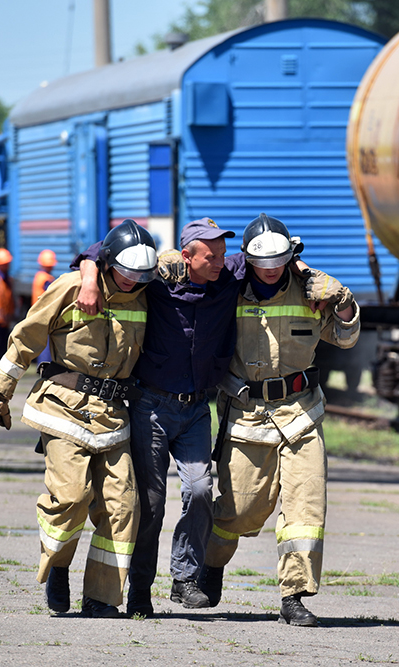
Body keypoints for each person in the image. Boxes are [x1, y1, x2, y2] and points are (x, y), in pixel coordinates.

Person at [0, 220, 158, 618]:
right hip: (63, 407)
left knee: (123, 507)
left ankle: (101, 596)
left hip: (113, 417)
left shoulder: (145, 296)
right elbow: (27, 336)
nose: (132, 282)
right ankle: (58, 566)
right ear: (108, 262)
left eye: (139, 276)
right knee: (72, 496)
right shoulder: (71, 286)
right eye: (125, 273)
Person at [192, 213, 360, 627]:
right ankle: (211, 565)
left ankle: (294, 595)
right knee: (241, 511)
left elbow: (345, 337)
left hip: (302, 413)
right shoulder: (228, 289)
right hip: (246, 415)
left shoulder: (312, 290)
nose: (270, 270)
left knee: (306, 507)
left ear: (290, 256)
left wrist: (344, 302)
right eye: (261, 263)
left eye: (278, 262)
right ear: (248, 260)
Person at [72, 218, 241, 617]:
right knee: (150, 502)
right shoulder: (157, 283)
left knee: (200, 490)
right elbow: (99, 251)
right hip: (151, 405)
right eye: (211, 256)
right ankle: (140, 590)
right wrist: (90, 279)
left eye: (222, 254)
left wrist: (302, 267)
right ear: (186, 256)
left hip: (196, 409)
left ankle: (184, 579)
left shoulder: (227, 278)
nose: (221, 262)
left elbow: (269, 256)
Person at [32, 249, 57, 366]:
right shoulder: (46, 279)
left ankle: (43, 365)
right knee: (46, 343)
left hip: (40, 313)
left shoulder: (40, 276)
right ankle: (44, 366)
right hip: (44, 314)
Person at [0, 248, 15, 361]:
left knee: (3, 344)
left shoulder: (7, 278)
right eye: (4, 264)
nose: (7, 266)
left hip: (5, 317)